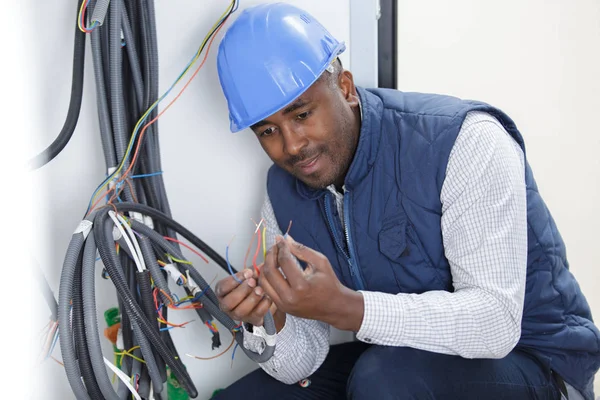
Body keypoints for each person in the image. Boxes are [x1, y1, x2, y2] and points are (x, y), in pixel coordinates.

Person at [212, 3, 600, 399]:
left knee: (384, 379)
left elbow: (496, 324)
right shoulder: (282, 192)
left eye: (303, 114)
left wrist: (348, 308)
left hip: (534, 361)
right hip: (395, 361)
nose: (292, 146)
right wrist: (268, 317)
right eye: (268, 131)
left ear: (344, 87)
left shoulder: (463, 141)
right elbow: (303, 362)